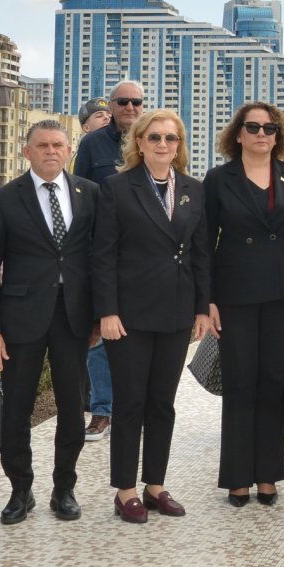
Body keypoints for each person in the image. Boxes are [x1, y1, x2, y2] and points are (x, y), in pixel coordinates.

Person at [92, 108, 213, 523]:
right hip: (129, 315)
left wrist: (201, 307)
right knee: (130, 403)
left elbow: (201, 254)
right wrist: (106, 310)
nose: (164, 145)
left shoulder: (193, 191)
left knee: (162, 403)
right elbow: (103, 254)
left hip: (177, 313)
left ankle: (155, 484)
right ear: (139, 143)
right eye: (155, 137)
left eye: (171, 138)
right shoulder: (117, 188)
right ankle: (126, 490)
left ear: (179, 146)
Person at [0, 120, 98, 524]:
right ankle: (20, 490)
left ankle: (64, 489)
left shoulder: (89, 194)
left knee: (71, 408)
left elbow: (98, 261)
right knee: (17, 411)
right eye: (42, 145)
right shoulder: (6, 198)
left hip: (73, 318)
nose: (51, 151)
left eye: (58, 145)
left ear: (69, 151)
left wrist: (97, 317)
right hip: (19, 320)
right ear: (27, 152)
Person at [203, 102, 284, 507]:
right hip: (236, 294)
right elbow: (203, 242)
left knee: (271, 383)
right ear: (239, 134)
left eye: (270, 128)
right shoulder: (218, 179)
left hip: (283, 291)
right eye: (253, 127)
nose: (262, 134)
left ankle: (268, 475)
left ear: (278, 135)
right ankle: (237, 477)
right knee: (239, 383)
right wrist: (208, 299)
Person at [74, 79, 147, 443]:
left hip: (143, 257)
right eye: (123, 102)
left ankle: (136, 409)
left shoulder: (153, 140)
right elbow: (78, 195)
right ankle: (102, 412)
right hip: (101, 253)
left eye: (136, 102)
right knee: (102, 335)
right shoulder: (91, 144)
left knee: (142, 336)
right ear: (114, 106)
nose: (130, 108)